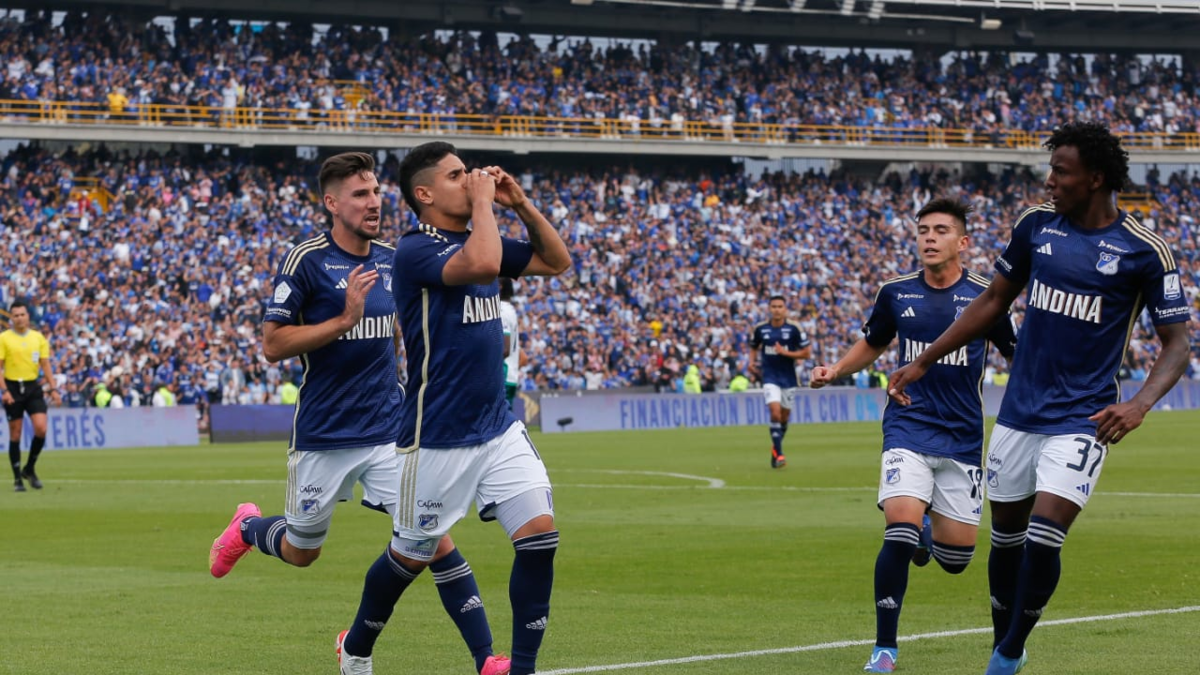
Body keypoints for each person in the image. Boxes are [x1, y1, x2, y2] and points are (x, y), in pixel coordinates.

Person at [887, 122, 1191, 675]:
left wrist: (1140, 403)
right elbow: (992, 301)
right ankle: (1005, 642)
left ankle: (1007, 653)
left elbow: (1178, 342)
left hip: (1084, 416)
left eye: (1060, 172)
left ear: (1094, 178)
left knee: (1045, 537)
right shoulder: (1035, 225)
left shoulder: (1145, 251)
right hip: (1019, 414)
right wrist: (925, 358)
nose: (1049, 181)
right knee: (1006, 542)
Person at [206, 152, 508, 675]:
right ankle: (250, 527)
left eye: (376, 192)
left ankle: (485, 659)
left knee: (432, 538)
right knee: (302, 551)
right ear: (331, 203)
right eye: (360, 195)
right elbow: (273, 345)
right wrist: (343, 320)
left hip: (389, 429)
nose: (374, 203)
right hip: (325, 433)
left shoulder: (395, 259)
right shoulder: (305, 260)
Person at [336, 142, 570, 675]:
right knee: (410, 557)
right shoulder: (416, 249)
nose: (470, 180)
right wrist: (485, 202)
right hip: (437, 436)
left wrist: (521, 203)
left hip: (497, 428)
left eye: (469, 173)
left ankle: (523, 669)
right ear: (424, 194)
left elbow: (557, 262)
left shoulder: (477, 235)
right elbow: (484, 263)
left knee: (540, 537)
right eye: (457, 175)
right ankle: (357, 647)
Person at [810, 198, 1017, 673]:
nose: (929, 238)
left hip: (963, 435)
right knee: (898, 532)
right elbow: (874, 342)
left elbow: (1015, 354)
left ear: (963, 242)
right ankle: (885, 648)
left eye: (940, 230)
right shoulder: (896, 292)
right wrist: (836, 369)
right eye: (923, 230)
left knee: (956, 559)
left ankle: (928, 531)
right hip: (908, 424)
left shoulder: (988, 296)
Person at [748, 295, 812, 468]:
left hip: (788, 378)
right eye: (774, 306)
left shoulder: (794, 328)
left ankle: (775, 451)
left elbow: (806, 353)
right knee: (775, 413)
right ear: (769, 309)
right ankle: (780, 454)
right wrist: (751, 362)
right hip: (769, 376)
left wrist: (785, 353)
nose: (776, 310)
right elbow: (753, 346)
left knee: (784, 418)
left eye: (780, 306)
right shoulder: (761, 328)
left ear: (785, 309)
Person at [1, 301, 59, 491]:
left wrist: (53, 388)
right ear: (11, 318)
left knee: (41, 428)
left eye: (22, 315)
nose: (19, 318)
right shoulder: (4, 338)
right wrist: (4, 391)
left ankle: (29, 468)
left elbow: (45, 364)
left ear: (28, 316)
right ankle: (17, 479)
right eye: (15, 315)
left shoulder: (38, 338)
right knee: (15, 433)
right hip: (12, 387)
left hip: (32, 386)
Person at [499, 277, 521, 407]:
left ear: (500, 286)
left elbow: (504, 350)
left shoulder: (501, 310)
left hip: (503, 375)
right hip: (509, 376)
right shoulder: (509, 309)